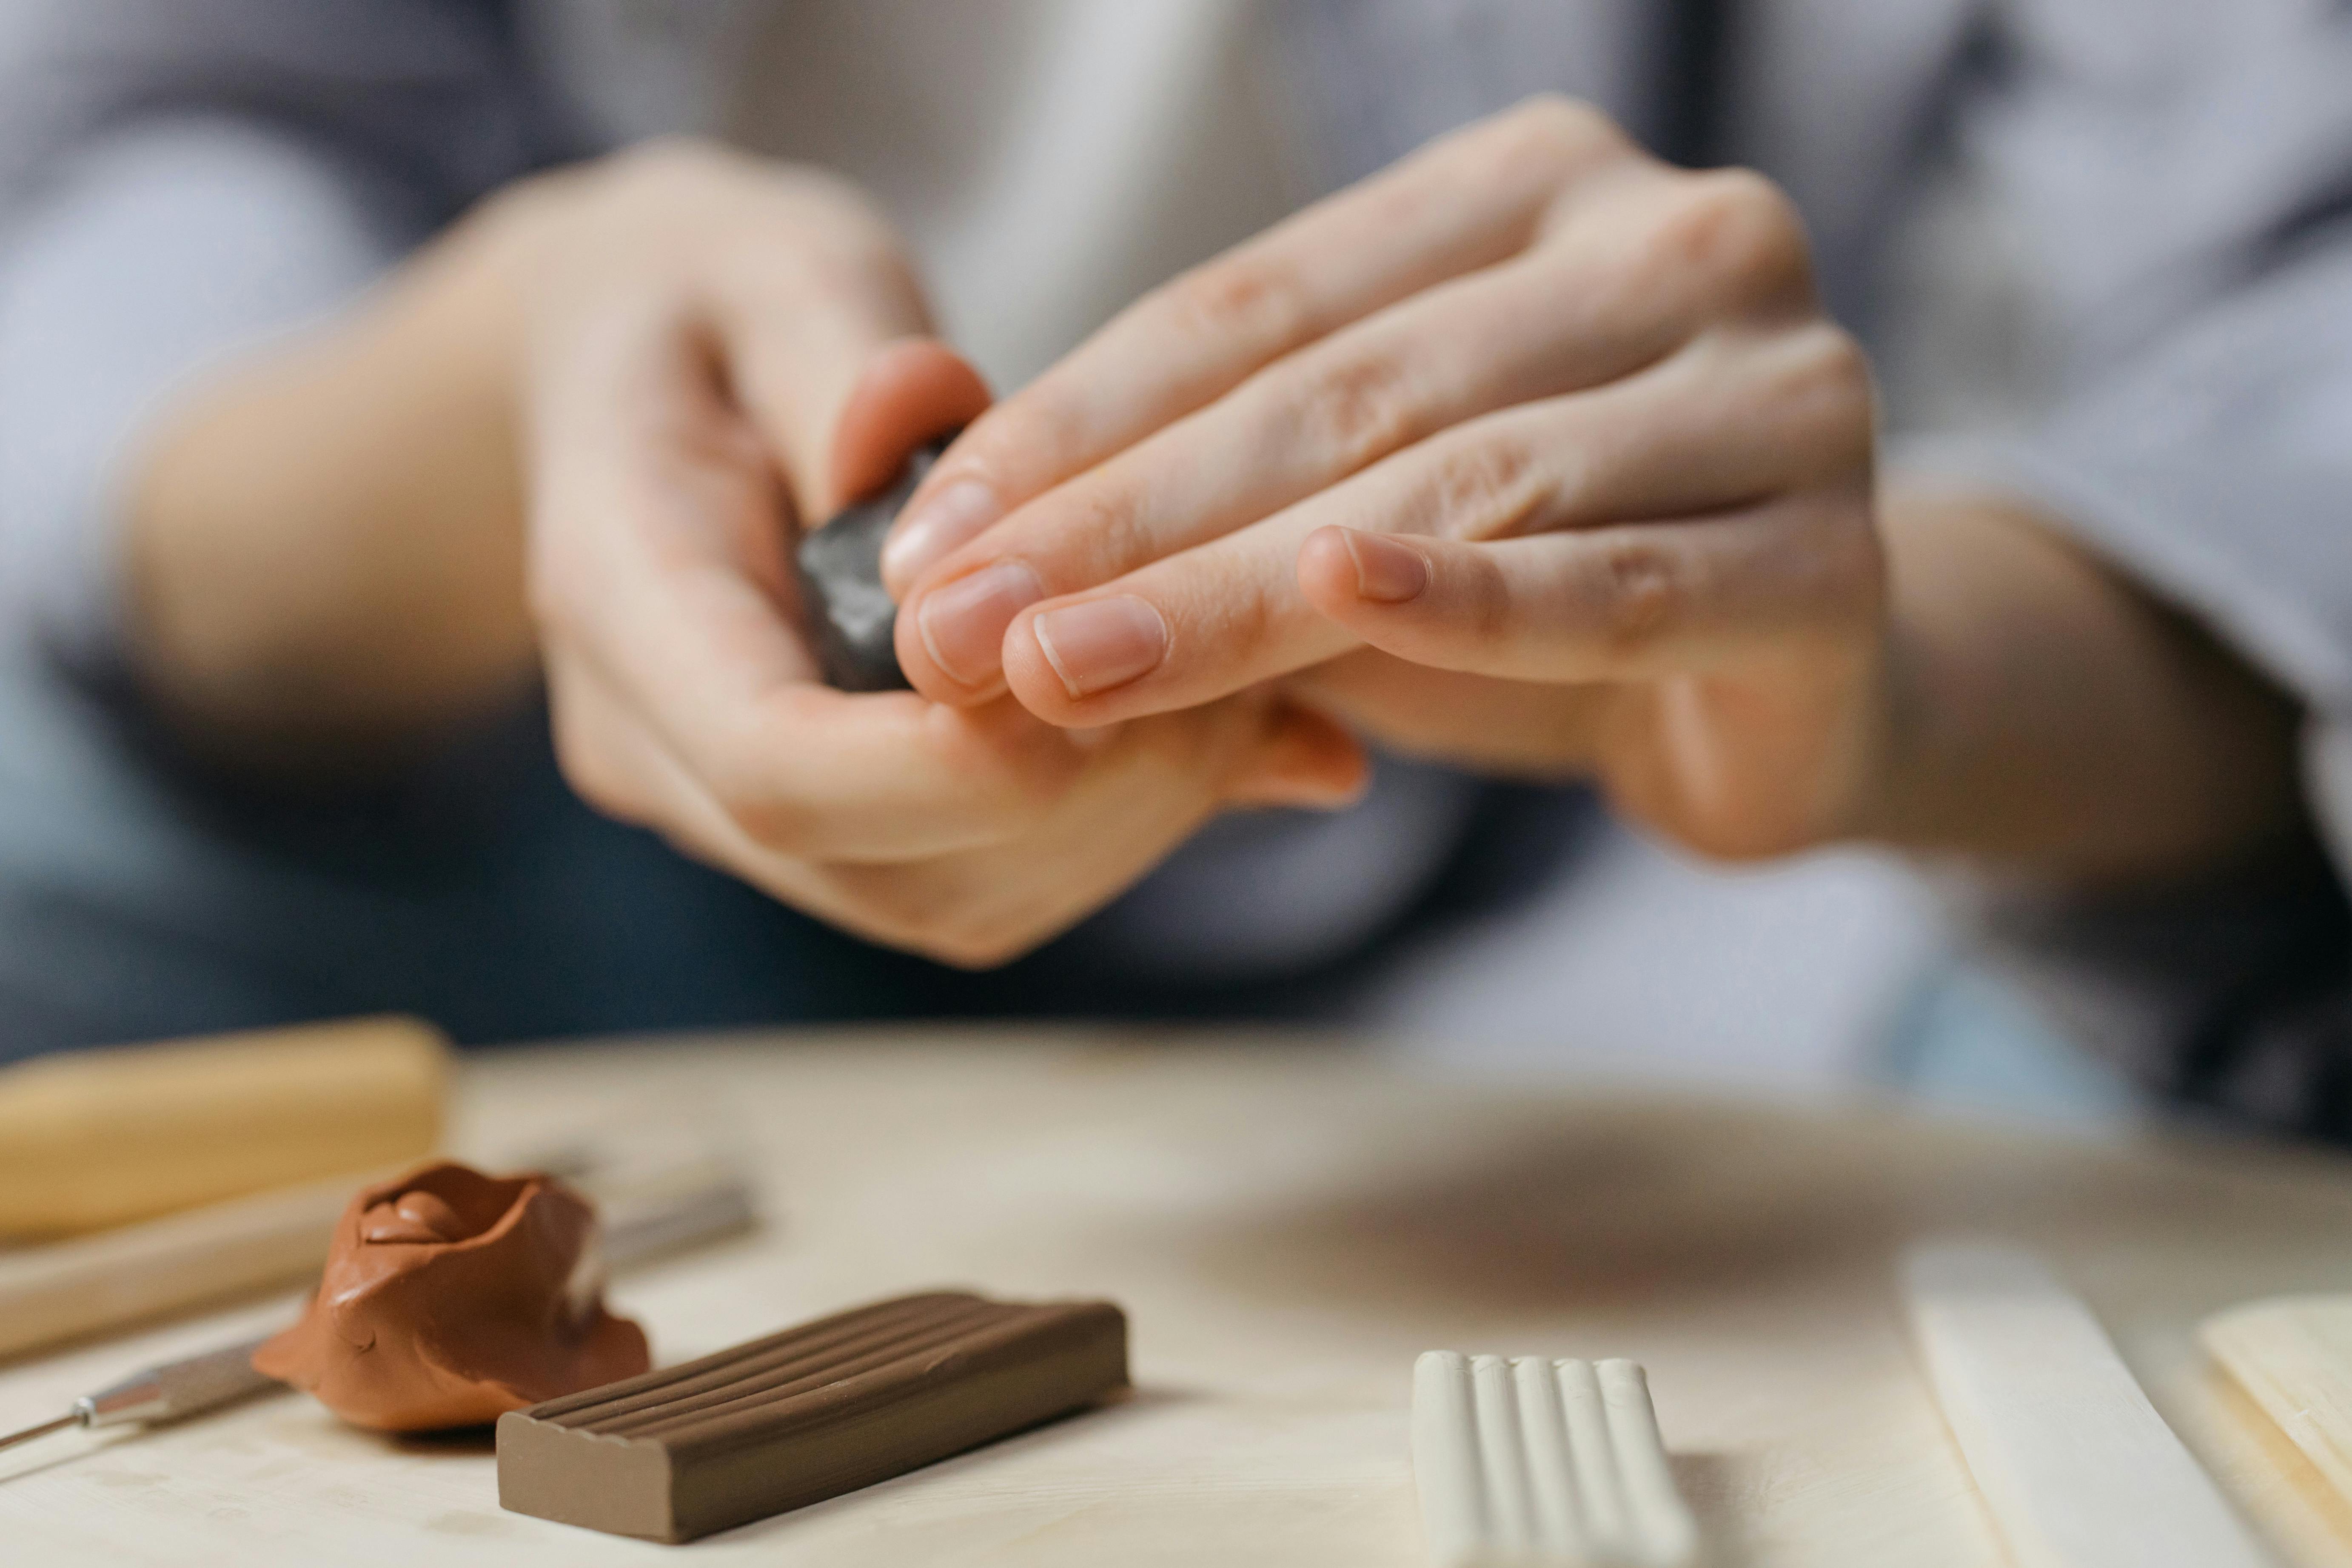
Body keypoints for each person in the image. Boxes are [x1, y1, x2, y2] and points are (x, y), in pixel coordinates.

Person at [0, 3, 2346, 1139]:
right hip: (523, 796)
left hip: (1666, 887)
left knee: (2128, 1121)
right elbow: (144, 198)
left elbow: (2272, 325)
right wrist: (515, 375)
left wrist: (1894, 676)